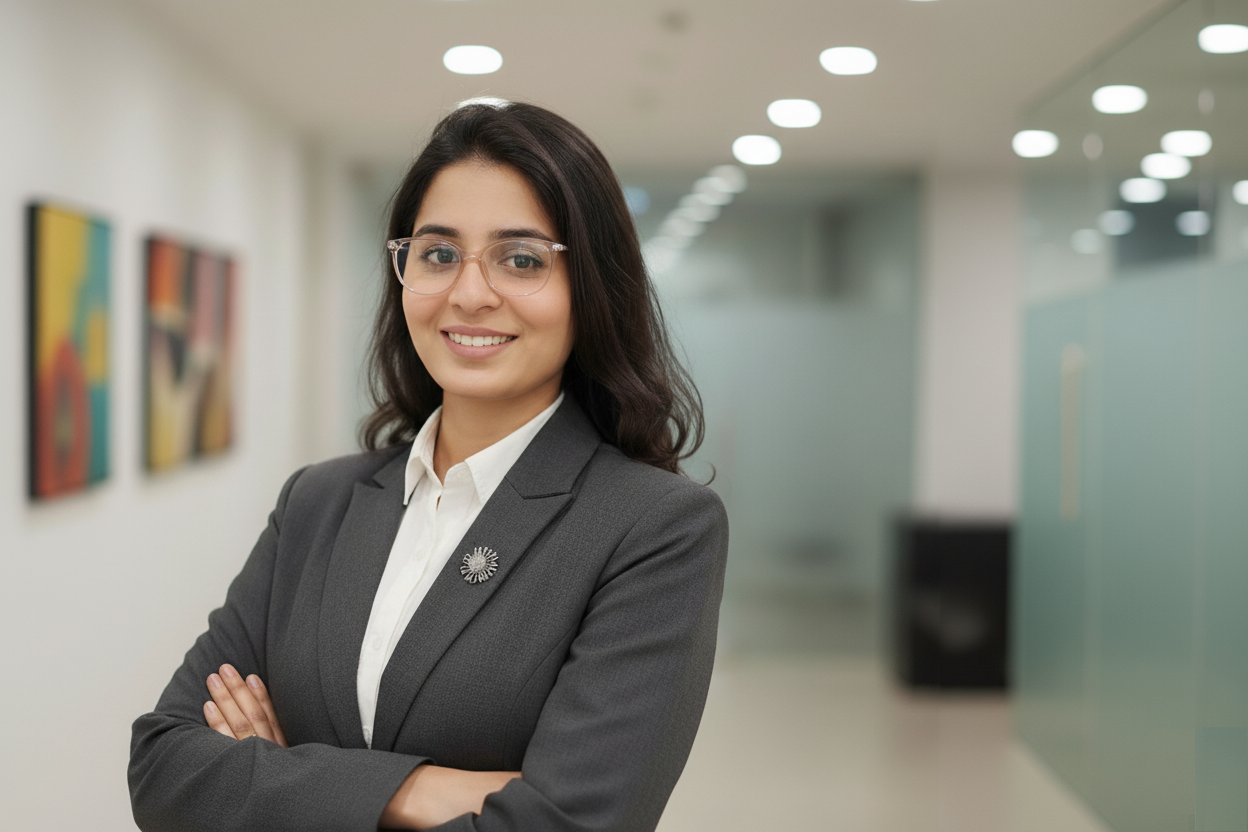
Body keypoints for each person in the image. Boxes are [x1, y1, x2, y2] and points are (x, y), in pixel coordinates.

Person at [128, 101, 728, 832]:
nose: (470, 294)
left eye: (522, 259)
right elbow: (164, 767)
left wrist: (277, 778)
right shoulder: (318, 502)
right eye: (439, 254)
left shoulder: (653, 528)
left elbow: (569, 823)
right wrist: (421, 792)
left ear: (591, 289)